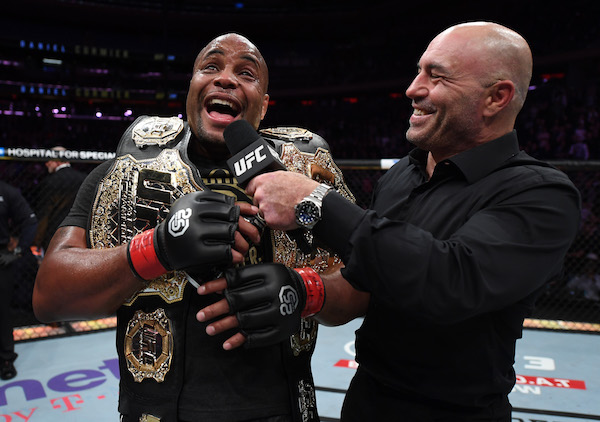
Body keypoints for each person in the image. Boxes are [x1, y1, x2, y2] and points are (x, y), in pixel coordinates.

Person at [196, 22, 582, 421]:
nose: (413, 89)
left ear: (496, 98)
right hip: (367, 400)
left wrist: (315, 202)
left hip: (456, 413)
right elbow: (368, 282)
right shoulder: (403, 175)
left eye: (437, 76)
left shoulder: (541, 194)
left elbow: (451, 279)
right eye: (419, 71)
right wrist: (303, 291)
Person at [33, 33, 352, 422]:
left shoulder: (305, 173)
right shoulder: (129, 170)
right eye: (211, 66)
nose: (226, 79)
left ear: (264, 106)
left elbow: (366, 278)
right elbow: (49, 295)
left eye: (246, 73)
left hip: (281, 409)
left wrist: (307, 291)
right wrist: (158, 248)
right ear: (192, 90)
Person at [0, 181, 37, 380]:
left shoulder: (7, 192)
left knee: (2, 313)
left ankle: (6, 359)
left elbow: (30, 221)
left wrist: (18, 251)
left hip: (1, 259)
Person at [33, 146, 87, 253]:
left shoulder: (50, 182)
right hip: (81, 233)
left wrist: (36, 241)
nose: (46, 163)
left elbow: (44, 213)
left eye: (49, 160)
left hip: (54, 234)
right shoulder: (85, 179)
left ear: (57, 160)